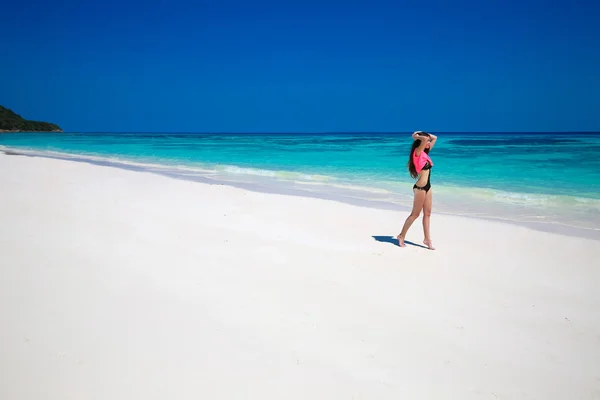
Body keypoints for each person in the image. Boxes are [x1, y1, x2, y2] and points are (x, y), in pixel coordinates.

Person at [397, 131, 437, 250]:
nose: (429, 142)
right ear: (421, 142)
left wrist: (424, 135)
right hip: (420, 188)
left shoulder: (425, 154)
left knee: (428, 214)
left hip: (428, 186)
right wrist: (417, 136)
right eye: (427, 141)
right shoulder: (417, 153)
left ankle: (427, 239)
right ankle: (401, 235)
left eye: (429, 142)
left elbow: (435, 138)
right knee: (415, 214)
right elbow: (424, 140)